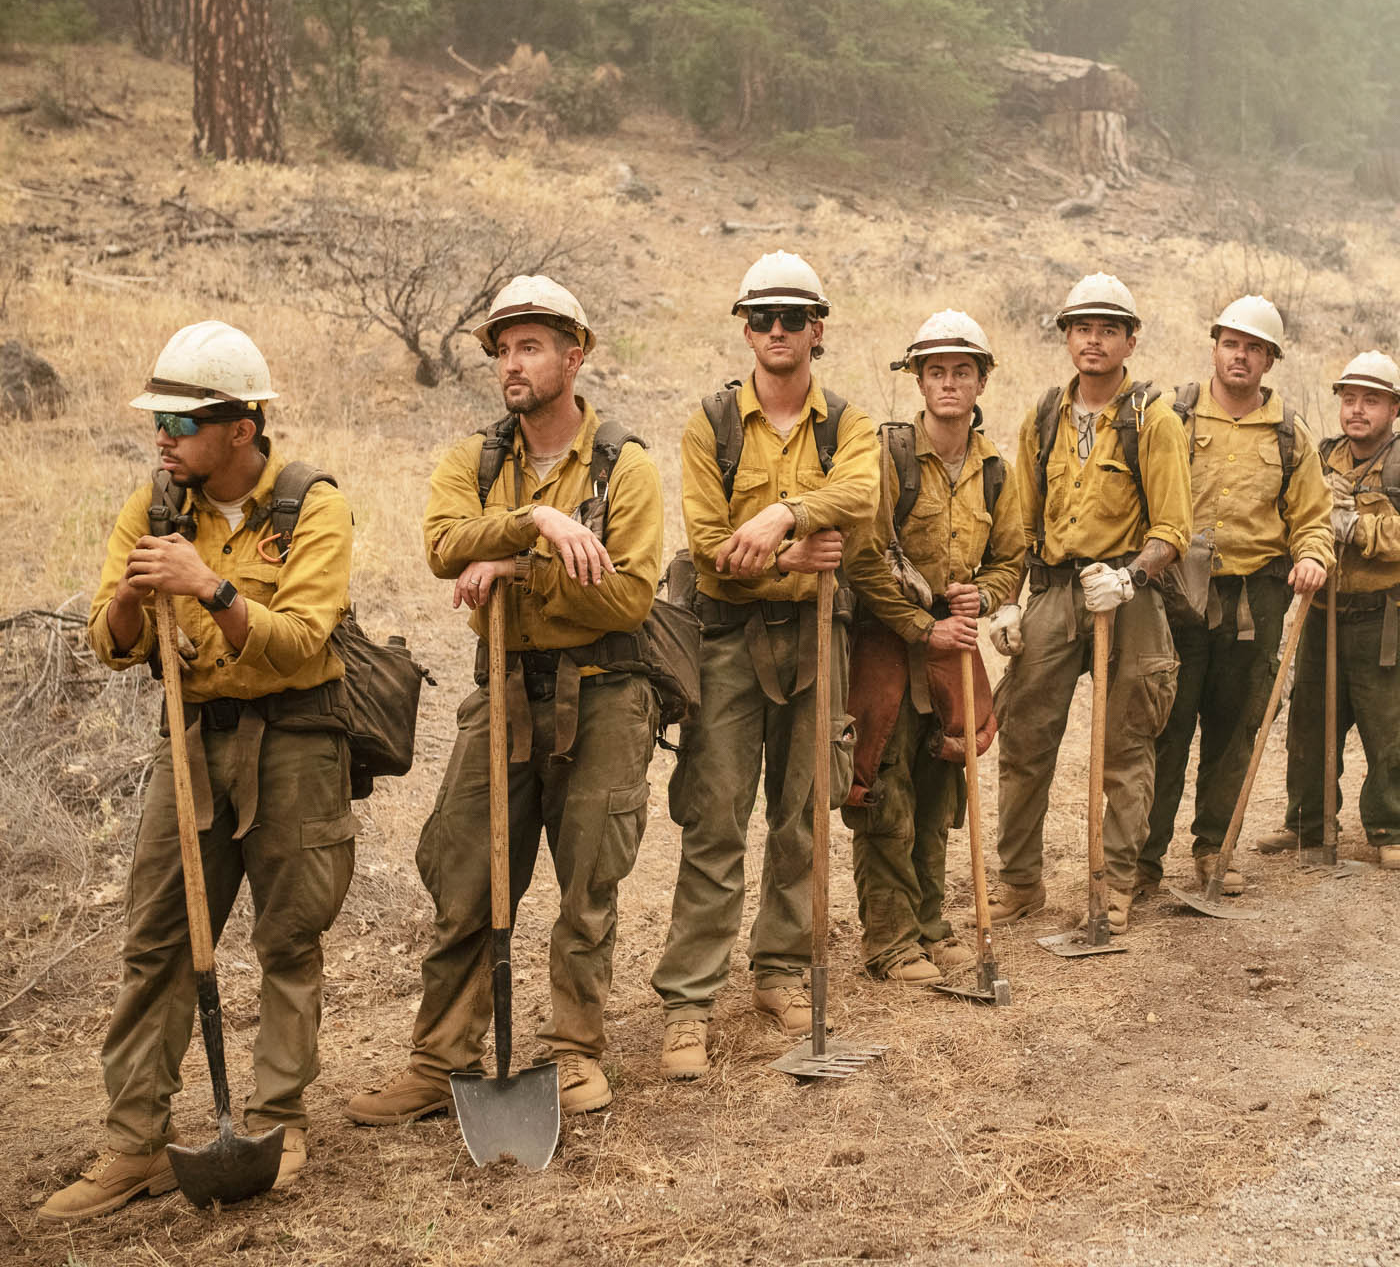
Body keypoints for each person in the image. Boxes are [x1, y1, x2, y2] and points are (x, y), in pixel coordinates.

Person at [46, 323, 355, 1219]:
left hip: (294, 741)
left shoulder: (312, 505)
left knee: (288, 938)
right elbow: (108, 648)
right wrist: (138, 597)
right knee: (158, 942)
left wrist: (211, 588)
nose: (163, 439)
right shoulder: (151, 508)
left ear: (240, 430)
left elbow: (301, 645)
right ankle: (135, 1144)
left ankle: (278, 1120)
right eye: (160, 423)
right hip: (190, 741)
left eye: (181, 424)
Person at [347, 275, 662, 1128]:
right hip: (504, 697)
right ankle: (440, 1059)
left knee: (588, 880)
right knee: (465, 874)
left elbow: (626, 596)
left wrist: (517, 569)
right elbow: (443, 547)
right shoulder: (475, 461)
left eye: (531, 347)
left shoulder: (625, 465)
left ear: (575, 355)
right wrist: (537, 524)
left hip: (603, 694)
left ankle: (573, 1053)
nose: (513, 364)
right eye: (503, 349)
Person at [652, 251, 879, 1079]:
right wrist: (798, 555)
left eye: (792, 318)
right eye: (761, 318)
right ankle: (688, 1004)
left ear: (817, 330)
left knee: (804, 813)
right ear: (745, 328)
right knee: (715, 818)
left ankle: (781, 970)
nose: (776, 332)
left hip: (822, 638)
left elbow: (863, 495)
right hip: (728, 641)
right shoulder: (709, 423)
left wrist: (785, 510)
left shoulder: (845, 421)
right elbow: (712, 551)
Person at [989, 273, 1192, 935]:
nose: (1094, 341)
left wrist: (1131, 577)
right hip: (1050, 591)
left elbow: (1173, 530)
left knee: (1126, 749)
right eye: (1082, 328)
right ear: (1067, 337)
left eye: (1108, 329)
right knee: (1024, 741)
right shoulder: (1043, 417)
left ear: (1130, 340)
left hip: (1123, 599)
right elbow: (1018, 522)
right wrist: (1008, 602)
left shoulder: (1151, 420)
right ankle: (1020, 883)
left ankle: (1114, 886)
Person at [841, 311, 1026, 983]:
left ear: (981, 381)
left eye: (962, 371)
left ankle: (929, 924)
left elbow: (1012, 555)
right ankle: (888, 940)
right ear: (919, 379)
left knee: (940, 778)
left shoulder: (997, 471)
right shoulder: (886, 455)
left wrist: (986, 592)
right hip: (888, 645)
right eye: (936, 370)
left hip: (953, 647)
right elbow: (864, 559)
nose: (949, 383)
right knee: (882, 784)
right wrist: (921, 626)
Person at [1139, 296, 1332, 897]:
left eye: (1254, 348)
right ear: (1215, 346)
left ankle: (1212, 849)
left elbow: (1313, 517)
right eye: (1231, 343)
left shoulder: (1289, 434)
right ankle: (1142, 860)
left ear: (1270, 360)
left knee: (1234, 728)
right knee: (1164, 726)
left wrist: (1311, 557)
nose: (1240, 356)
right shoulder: (1170, 414)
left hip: (1255, 601)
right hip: (1175, 596)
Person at [1259, 352, 1400, 870]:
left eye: (1372, 400)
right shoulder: (1317, 458)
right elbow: (1284, 513)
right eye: (1349, 399)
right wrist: (1319, 509)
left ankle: (1393, 827)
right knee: (1309, 724)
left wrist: (1357, 527)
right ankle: (1306, 824)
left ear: (1395, 408)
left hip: (1390, 617)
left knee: (1394, 726)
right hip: (1322, 612)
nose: (1358, 410)